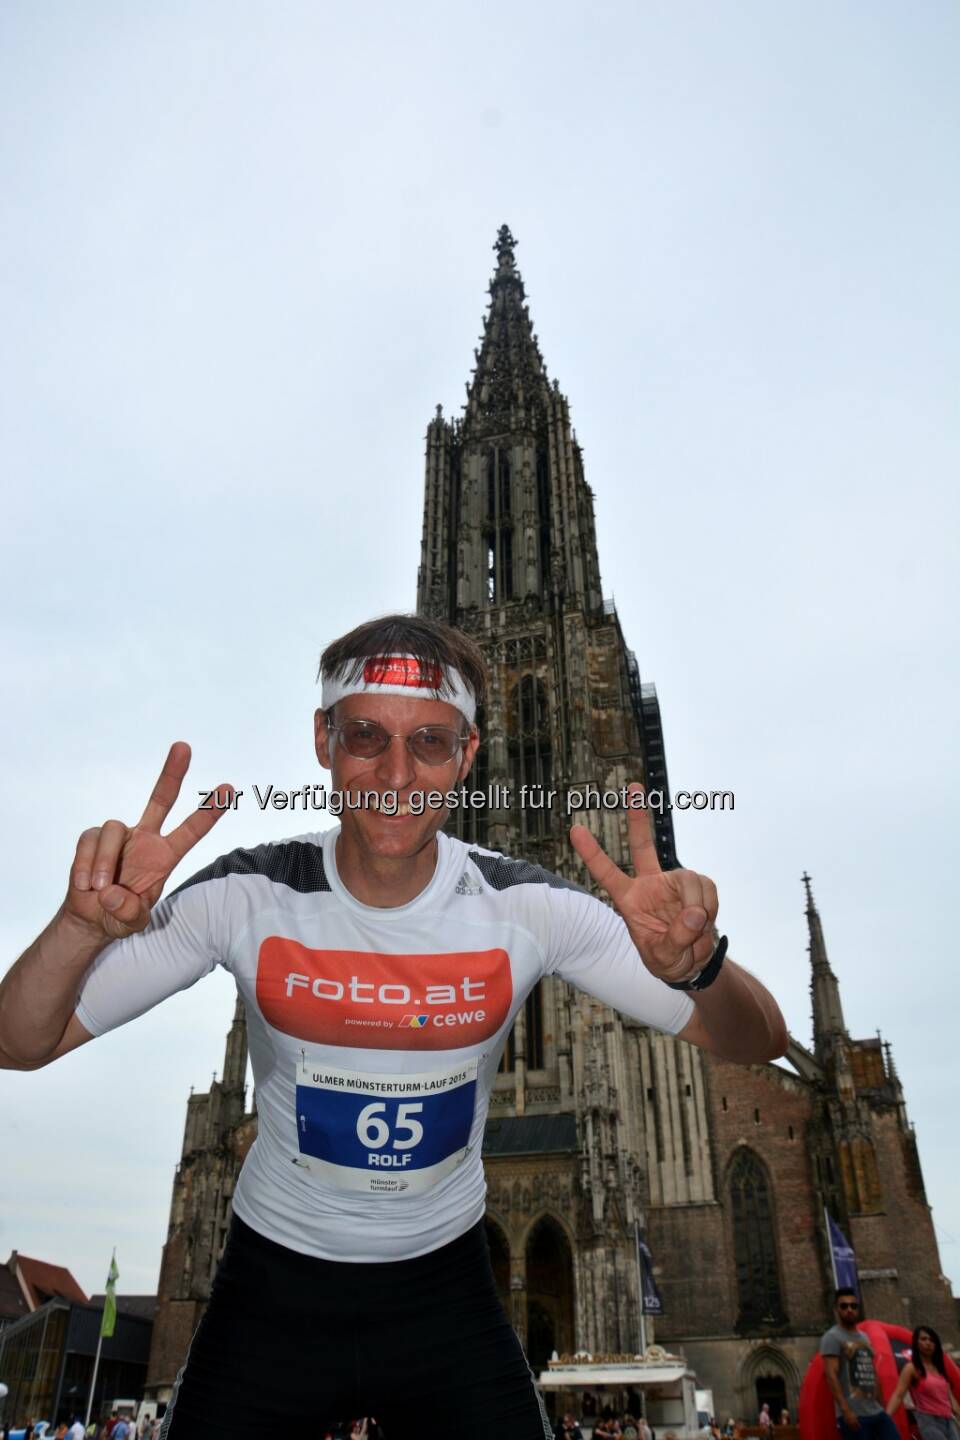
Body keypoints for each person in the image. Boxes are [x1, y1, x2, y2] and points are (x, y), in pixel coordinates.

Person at [0, 615, 788, 1440]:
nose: (397, 771)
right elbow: (18, 1044)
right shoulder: (250, 892)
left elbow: (754, 1040)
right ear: (324, 740)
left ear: (468, 753)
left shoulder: (526, 904)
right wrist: (80, 929)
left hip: (445, 1286)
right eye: (367, 735)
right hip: (274, 1286)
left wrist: (694, 966)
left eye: (431, 742)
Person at [820, 1288, 899, 1438]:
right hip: (854, 1414)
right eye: (844, 1306)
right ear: (836, 1309)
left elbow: (872, 1372)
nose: (849, 1309)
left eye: (853, 1306)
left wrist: (881, 1406)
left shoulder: (865, 1337)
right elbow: (831, 1375)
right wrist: (846, 1411)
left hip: (876, 1411)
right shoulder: (832, 1337)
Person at [885, 1325, 960, 1439]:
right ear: (916, 1343)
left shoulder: (940, 1368)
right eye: (923, 1339)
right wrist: (886, 1417)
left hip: (948, 1419)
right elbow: (898, 1395)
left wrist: (956, 1411)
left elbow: (949, 1396)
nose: (928, 1343)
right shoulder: (912, 1368)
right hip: (929, 1420)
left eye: (931, 1340)